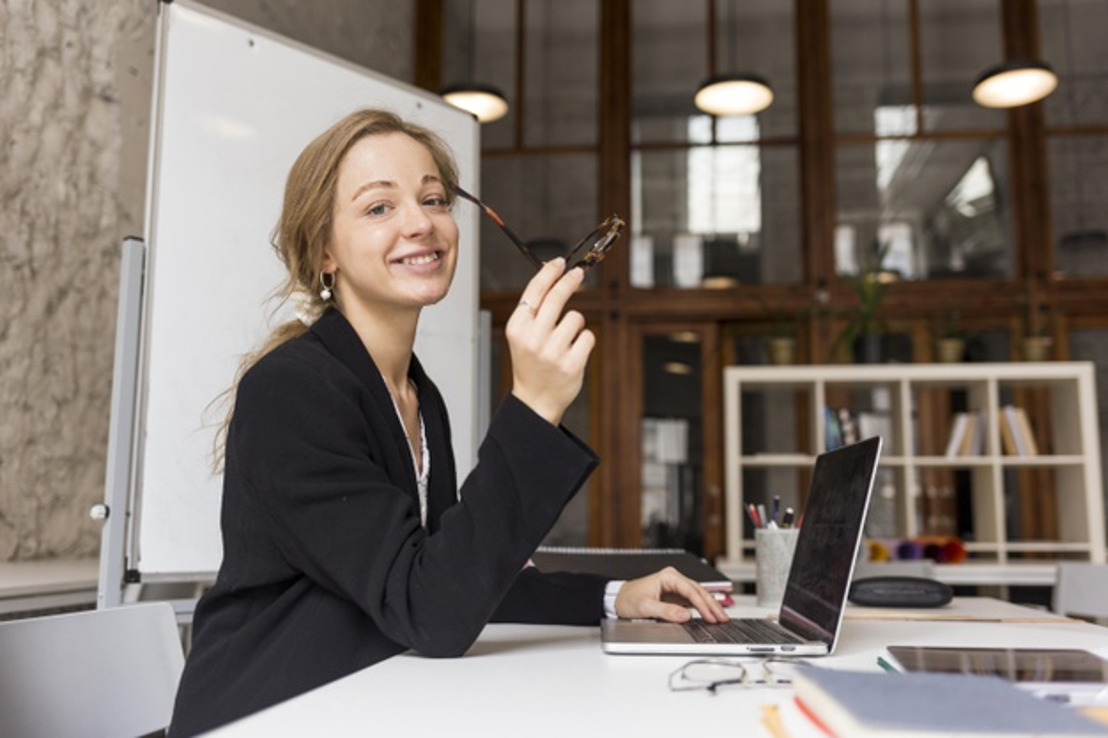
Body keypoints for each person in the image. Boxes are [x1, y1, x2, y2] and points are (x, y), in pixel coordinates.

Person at [167, 109, 727, 736]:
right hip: (267, 713)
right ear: (325, 252)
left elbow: (448, 571)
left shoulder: (416, 394)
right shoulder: (291, 389)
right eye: (379, 208)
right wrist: (534, 409)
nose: (420, 223)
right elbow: (431, 609)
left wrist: (612, 598)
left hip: (369, 697)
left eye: (433, 199)